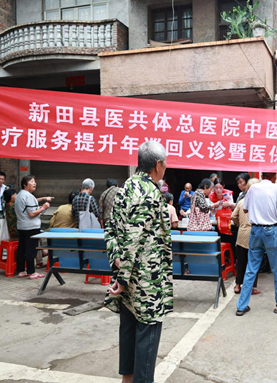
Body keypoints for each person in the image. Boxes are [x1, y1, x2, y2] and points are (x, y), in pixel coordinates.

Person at [104, 141, 172, 383]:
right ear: (157, 165)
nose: (166, 167)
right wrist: (122, 279)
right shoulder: (150, 193)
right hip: (146, 280)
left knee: (129, 330)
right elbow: (134, 239)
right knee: (147, 335)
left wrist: (118, 265)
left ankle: (128, 378)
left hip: (128, 276)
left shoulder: (126, 188)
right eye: (165, 163)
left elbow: (110, 229)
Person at [236, 172, 277, 316]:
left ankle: (241, 306)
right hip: (271, 231)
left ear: (262, 176)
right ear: (274, 177)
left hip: (255, 230)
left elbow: (245, 209)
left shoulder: (253, 188)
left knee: (251, 269)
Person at [15, 175, 52, 279]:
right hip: (31, 227)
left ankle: (21, 270)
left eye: (34, 181)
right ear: (25, 185)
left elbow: (30, 210)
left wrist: (40, 208)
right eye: (31, 181)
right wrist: (44, 207)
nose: (34, 183)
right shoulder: (28, 196)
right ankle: (32, 272)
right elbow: (31, 214)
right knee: (31, 250)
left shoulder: (20, 195)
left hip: (22, 226)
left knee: (22, 249)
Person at [231, 178, 261, 295]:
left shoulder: (242, 202)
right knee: (253, 263)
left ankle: (237, 285)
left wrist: (240, 224)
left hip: (242, 234)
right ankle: (251, 287)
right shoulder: (259, 203)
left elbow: (233, 216)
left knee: (241, 261)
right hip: (255, 234)